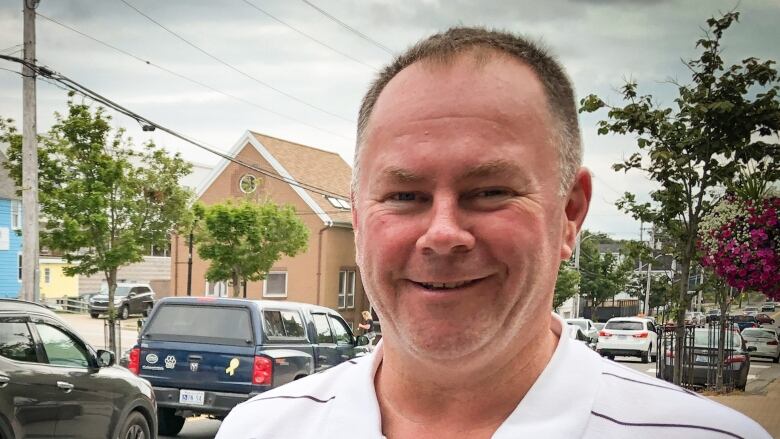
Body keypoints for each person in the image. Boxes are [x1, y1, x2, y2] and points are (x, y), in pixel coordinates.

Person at [217, 27, 770, 438]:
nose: (442, 234)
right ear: (359, 215)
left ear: (570, 213)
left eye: (489, 192)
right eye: (405, 196)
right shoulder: (257, 430)